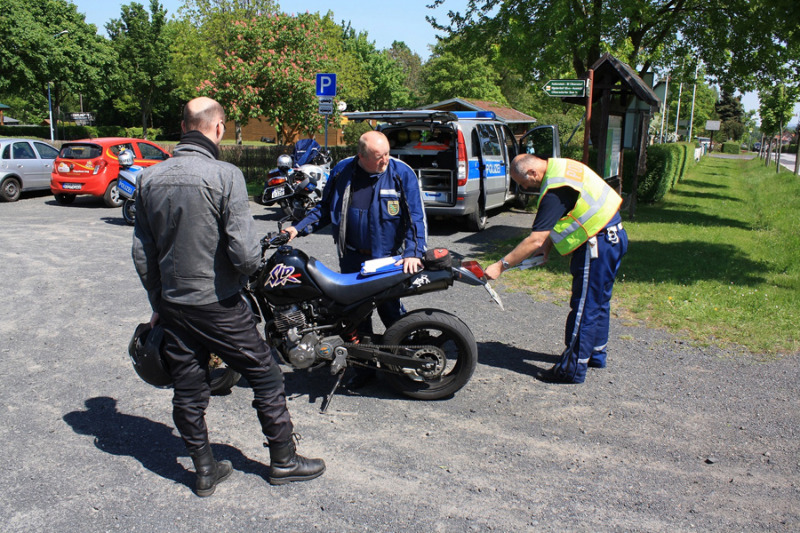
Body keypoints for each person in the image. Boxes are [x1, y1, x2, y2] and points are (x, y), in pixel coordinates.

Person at [132, 97, 325, 497]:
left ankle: (204, 471)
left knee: (188, 387)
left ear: (183, 125)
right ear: (217, 128)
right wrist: (253, 266)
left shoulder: (149, 179)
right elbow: (243, 252)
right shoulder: (226, 176)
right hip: (218, 303)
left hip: (175, 305)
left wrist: (159, 304)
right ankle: (284, 461)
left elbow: (142, 255)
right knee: (267, 375)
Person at [284, 130, 428, 387]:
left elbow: (415, 216)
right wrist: (297, 227)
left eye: (386, 154)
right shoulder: (342, 171)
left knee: (391, 311)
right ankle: (364, 369)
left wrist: (414, 253)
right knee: (354, 315)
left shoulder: (400, 172)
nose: (385, 160)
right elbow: (324, 209)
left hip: (386, 260)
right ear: (361, 155)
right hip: (351, 257)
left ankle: (408, 362)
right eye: (378, 156)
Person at [484, 154, 628, 384]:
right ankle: (595, 354)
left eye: (522, 182)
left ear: (532, 173)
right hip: (614, 237)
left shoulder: (554, 189)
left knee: (584, 306)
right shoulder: (563, 167)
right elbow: (573, 209)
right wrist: (549, 247)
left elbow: (535, 240)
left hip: (596, 245)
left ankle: (571, 369)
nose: (523, 188)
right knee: (599, 300)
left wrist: (500, 266)